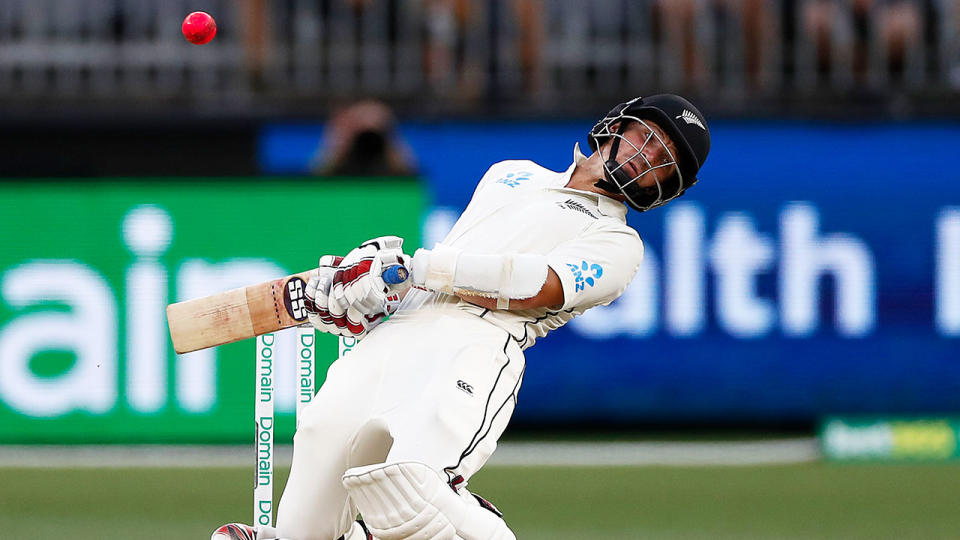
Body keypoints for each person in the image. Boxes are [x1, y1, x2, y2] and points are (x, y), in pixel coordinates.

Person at [212, 93, 711, 540]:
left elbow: (540, 284)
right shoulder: (510, 173)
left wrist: (420, 266)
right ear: (618, 125)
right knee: (319, 450)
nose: (645, 155)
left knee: (409, 487)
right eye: (644, 137)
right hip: (400, 333)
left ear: (666, 186)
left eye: (662, 161)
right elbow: (457, 258)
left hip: (477, 346)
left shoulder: (619, 244)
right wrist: (378, 291)